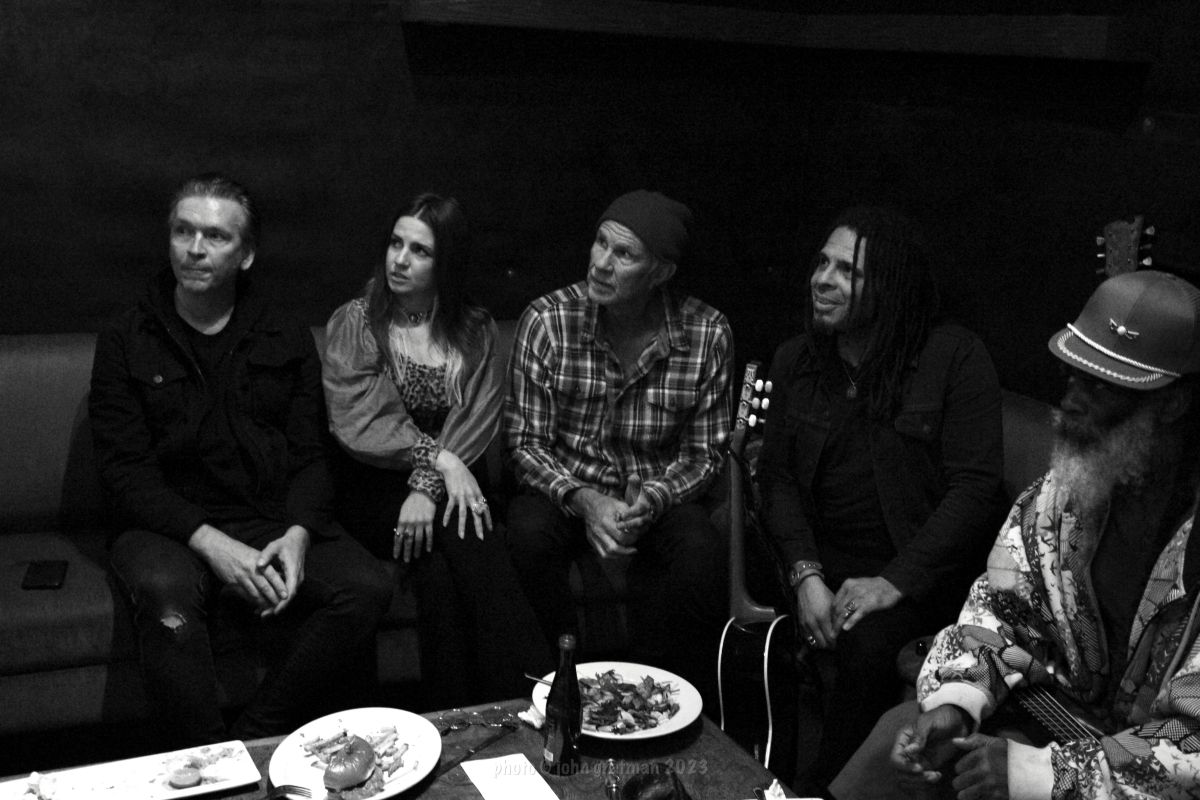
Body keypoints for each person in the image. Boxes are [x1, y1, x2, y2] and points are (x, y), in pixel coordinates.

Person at [831, 269, 1200, 800]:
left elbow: (1192, 748)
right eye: (1073, 376)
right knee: (907, 734)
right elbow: (998, 607)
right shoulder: (1071, 489)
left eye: (1102, 387)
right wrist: (956, 704)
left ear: (1172, 404)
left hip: (1144, 781)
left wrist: (1037, 775)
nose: (1071, 402)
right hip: (1060, 726)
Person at [89, 173, 393, 747]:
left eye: (215, 236)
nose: (194, 248)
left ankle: (256, 743)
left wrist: (299, 534)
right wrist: (212, 543)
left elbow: (312, 454)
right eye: (183, 231)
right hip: (167, 526)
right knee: (167, 600)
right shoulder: (127, 337)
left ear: (246, 254)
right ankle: (208, 765)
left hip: (265, 515)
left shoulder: (283, 332)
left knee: (365, 586)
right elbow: (125, 474)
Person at [756, 206, 1004, 789]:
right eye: (822, 263)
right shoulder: (798, 359)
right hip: (816, 558)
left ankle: (820, 789)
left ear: (890, 286)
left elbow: (975, 491)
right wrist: (804, 573)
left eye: (848, 271)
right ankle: (750, 764)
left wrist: (893, 582)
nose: (822, 279)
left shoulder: (955, 358)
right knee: (705, 560)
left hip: (912, 572)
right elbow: (777, 480)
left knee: (869, 645)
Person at [504, 189, 733, 706]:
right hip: (569, 491)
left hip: (655, 495)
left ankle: (668, 702)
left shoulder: (707, 333)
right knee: (526, 532)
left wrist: (653, 498)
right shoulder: (548, 320)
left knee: (700, 549)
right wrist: (586, 501)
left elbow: (705, 455)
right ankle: (557, 689)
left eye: (624, 254)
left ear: (660, 272)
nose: (602, 263)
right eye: (601, 243)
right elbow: (525, 445)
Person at [322, 193, 551, 708]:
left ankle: (460, 720)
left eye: (420, 251)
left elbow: (476, 419)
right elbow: (361, 422)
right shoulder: (358, 322)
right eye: (395, 243)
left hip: (448, 485)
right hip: (373, 486)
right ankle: (544, 692)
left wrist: (429, 485)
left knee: (443, 571)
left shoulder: (474, 329)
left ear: (446, 263)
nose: (399, 260)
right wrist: (437, 462)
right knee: (466, 528)